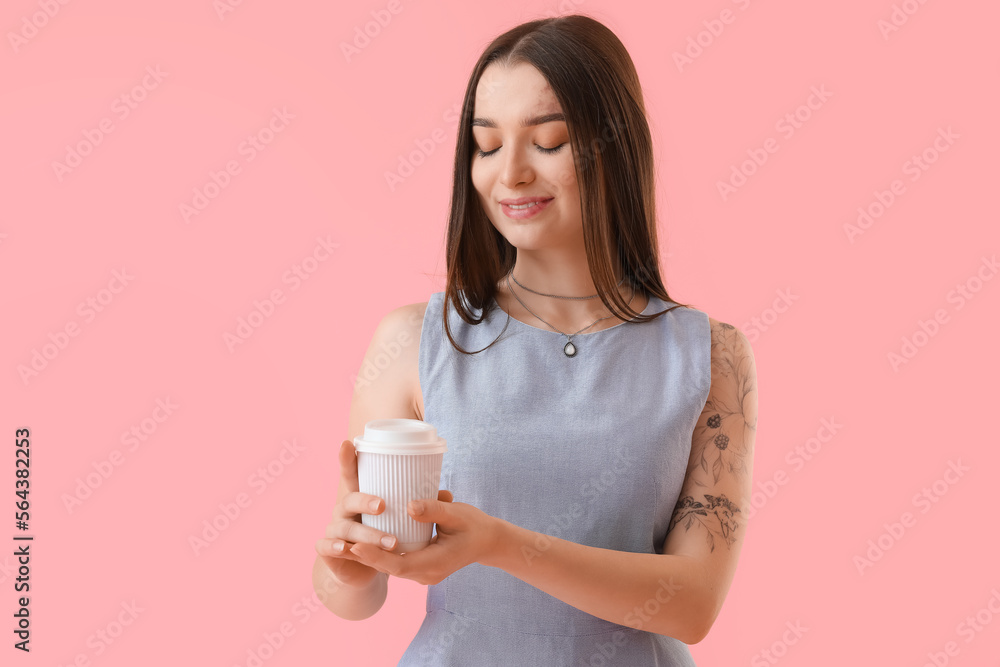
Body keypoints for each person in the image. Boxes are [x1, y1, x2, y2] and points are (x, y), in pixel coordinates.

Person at [312, 13, 758, 666]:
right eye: (486, 146)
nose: (510, 174)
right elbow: (351, 589)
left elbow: (693, 603)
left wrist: (497, 543)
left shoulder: (710, 355)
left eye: (547, 140)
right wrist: (348, 569)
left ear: (614, 147)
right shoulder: (414, 339)